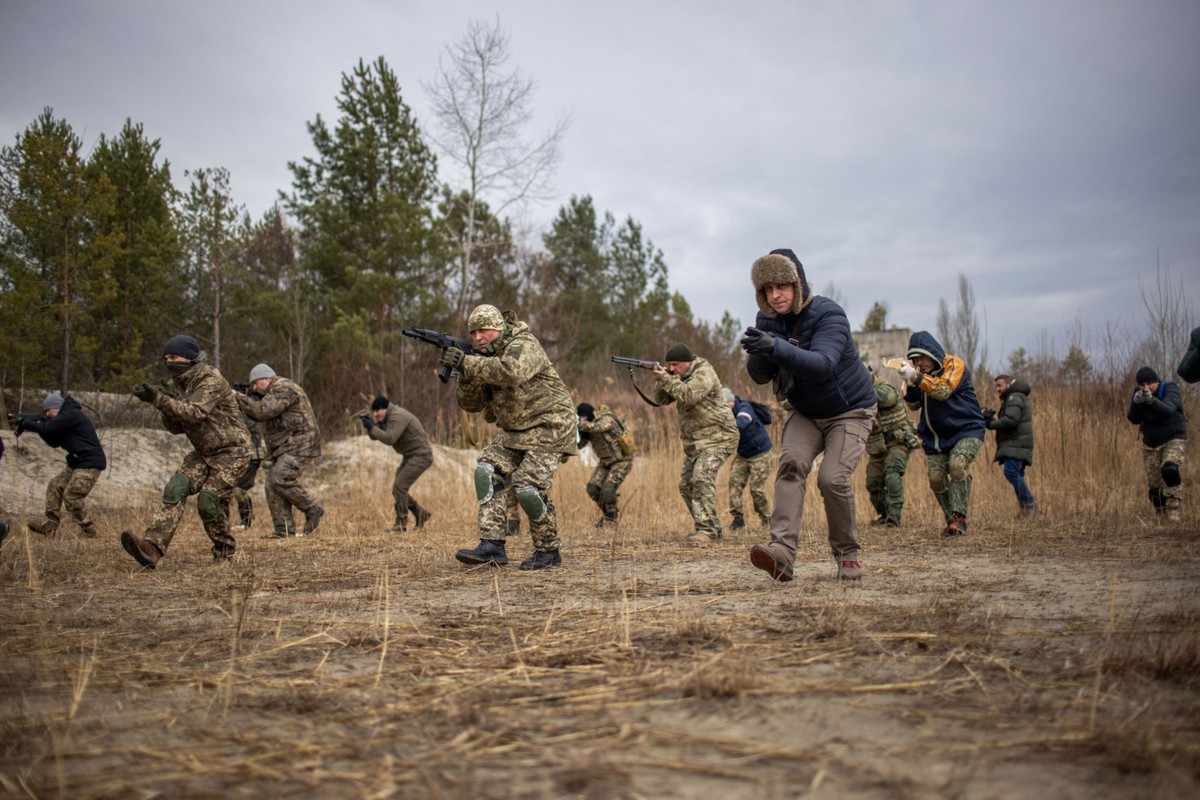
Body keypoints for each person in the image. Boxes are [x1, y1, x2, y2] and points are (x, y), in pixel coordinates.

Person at [741, 249, 876, 582]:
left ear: (797, 283)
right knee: (790, 466)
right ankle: (782, 555)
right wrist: (760, 352)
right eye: (768, 289)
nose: (776, 295)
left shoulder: (829, 313)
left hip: (850, 411)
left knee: (832, 478)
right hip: (805, 412)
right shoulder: (768, 320)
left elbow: (823, 364)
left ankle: (848, 556)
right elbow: (760, 376)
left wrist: (775, 347)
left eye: (782, 286)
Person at [445, 304, 577, 570]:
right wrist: (465, 374)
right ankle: (492, 546)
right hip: (514, 431)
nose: (478, 337)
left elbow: (510, 371)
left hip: (550, 426)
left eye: (484, 330)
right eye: (473, 332)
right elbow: (471, 404)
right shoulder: (482, 358)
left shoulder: (523, 343)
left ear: (499, 328)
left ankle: (548, 551)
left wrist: (467, 361)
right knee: (486, 471)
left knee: (526, 485)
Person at [120, 335, 253, 568]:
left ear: (190, 357)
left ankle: (224, 551)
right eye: (166, 358)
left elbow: (194, 413)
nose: (169, 362)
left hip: (233, 451)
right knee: (176, 487)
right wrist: (164, 403)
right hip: (204, 451)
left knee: (208, 501)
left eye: (174, 357)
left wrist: (160, 400)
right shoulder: (178, 385)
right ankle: (152, 547)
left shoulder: (210, 379)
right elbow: (176, 428)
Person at [898, 331, 986, 538]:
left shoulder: (953, 364)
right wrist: (909, 382)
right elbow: (913, 405)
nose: (919, 362)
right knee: (936, 478)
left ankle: (959, 518)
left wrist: (917, 377)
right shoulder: (919, 373)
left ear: (932, 352)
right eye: (915, 359)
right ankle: (951, 522)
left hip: (967, 429)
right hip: (936, 438)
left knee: (957, 465)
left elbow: (943, 390)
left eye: (922, 357)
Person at [650, 344, 739, 544]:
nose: (672, 368)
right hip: (697, 442)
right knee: (686, 485)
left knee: (701, 477)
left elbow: (689, 396)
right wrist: (661, 380)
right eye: (669, 365)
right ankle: (713, 527)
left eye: (676, 364)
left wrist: (667, 378)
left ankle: (705, 530)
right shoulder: (678, 376)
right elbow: (661, 400)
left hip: (719, 437)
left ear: (688, 362)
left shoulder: (703, 373)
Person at [235, 363, 324, 538]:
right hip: (286, 445)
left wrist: (238, 397)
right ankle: (283, 530)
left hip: (301, 442)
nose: (254, 388)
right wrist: (248, 398)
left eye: (255, 384)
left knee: (279, 477)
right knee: (271, 485)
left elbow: (263, 412)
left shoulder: (283, 387)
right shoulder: (270, 393)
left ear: (266, 378)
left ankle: (312, 508)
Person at [13, 391, 107, 539]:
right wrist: (38, 425)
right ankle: (50, 525)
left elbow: (48, 428)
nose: (47, 415)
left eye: (48, 411)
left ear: (56, 407)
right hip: (78, 462)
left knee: (72, 495)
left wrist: (26, 423)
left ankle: (88, 529)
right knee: (55, 486)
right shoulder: (65, 418)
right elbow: (54, 441)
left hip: (90, 462)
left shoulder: (70, 414)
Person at [360, 395, 433, 533]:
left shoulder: (397, 416)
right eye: (373, 412)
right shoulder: (387, 417)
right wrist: (370, 426)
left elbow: (390, 438)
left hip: (421, 456)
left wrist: (372, 428)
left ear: (385, 408)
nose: (375, 414)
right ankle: (421, 514)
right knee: (398, 489)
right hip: (411, 455)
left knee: (399, 486)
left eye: (377, 411)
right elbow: (377, 435)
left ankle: (400, 525)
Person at [1127, 366, 1187, 522]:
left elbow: (1168, 410)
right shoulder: (1139, 394)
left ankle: (1173, 508)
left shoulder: (1170, 389)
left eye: (1149, 384)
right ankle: (1161, 513)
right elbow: (1133, 418)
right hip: (1151, 442)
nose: (1146, 388)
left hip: (1173, 437)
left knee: (1170, 468)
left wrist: (1151, 401)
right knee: (1154, 486)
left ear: (1156, 382)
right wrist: (1137, 403)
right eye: (1142, 385)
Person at [864, 367, 918, 528]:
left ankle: (894, 516)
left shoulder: (884, 389)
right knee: (873, 482)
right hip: (878, 446)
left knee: (892, 473)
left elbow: (881, 397)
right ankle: (884, 514)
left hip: (898, 441)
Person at [984, 374, 1036, 515]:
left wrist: (991, 424)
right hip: (1018, 443)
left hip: (1016, 443)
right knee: (1017, 474)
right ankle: (1025, 510)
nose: (997, 389)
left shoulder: (1014, 397)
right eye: (996, 386)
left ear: (1008, 384)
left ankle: (1030, 504)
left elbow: (1010, 420)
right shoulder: (1014, 397)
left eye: (999, 385)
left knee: (1011, 473)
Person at [576, 401, 635, 527]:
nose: (582, 420)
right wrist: (575, 434)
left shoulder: (606, 418)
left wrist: (580, 425)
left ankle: (611, 520)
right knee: (593, 488)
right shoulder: (587, 426)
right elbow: (580, 445)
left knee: (608, 489)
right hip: (606, 462)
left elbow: (601, 427)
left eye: (583, 417)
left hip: (622, 460)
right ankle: (609, 515)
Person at [723, 387, 772, 531]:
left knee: (756, 489)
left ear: (730, 403)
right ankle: (738, 519)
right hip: (743, 455)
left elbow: (742, 423)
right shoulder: (727, 412)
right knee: (734, 483)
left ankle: (767, 519)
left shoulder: (745, 408)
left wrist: (725, 425)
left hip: (760, 453)